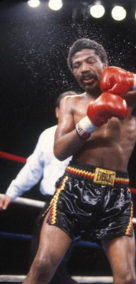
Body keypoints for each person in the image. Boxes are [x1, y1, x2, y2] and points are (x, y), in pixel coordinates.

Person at [23, 38, 136, 284]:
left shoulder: (133, 96)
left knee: (127, 277)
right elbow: (59, 150)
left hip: (116, 192)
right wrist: (91, 121)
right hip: (76, 187)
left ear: (105, 62)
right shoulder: (71, 103)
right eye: (77, 65)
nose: (84, 68)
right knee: (44, 265)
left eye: (90, 61)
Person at [0, 91, 77, 284]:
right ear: (58, 111)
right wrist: (11, 192)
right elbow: (33, 167)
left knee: (49, 264)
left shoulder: (87, 133)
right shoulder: (48, 135)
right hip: (51, 204)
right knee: (41, 261)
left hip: (76, 203)